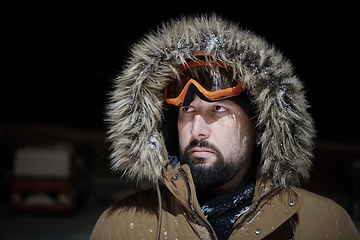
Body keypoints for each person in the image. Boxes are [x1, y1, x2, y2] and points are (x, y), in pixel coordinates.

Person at [90, 14, 359, 240]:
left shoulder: (324, 225)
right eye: (188, 110)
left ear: (260, 130)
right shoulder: (121, 227)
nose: (197, 130)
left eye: (218, 109)